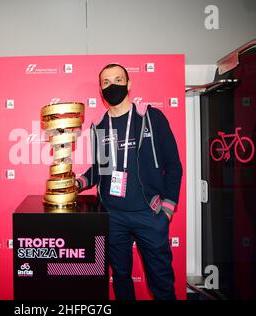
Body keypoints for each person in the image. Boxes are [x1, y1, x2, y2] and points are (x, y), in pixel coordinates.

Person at [76, 64, 182, 300]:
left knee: (162, 283)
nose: (111, 85)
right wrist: (79, 183)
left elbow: (174, 166)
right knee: (121, 278)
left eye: (117, 79)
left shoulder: (151, 118)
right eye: (105, 82)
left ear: (129, 84)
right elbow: (100, 169)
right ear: (101, 90)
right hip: (113, 217)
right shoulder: (100, 127)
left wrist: (168, 207)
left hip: (150, 214)